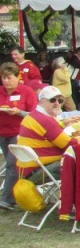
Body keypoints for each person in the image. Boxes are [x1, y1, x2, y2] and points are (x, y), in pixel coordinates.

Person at [16, 85, 74, 183]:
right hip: (39, 171)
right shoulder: (45, 120)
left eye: (60, 101)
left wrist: (62, 124)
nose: (57, 103)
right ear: (41, 101)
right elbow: (69, 144)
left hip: (26, 170)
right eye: (52, 100)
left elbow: (49, 134)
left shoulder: (32, 115)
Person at [0, 64, 37, 210]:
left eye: (9, 78)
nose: (6, 81)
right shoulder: (1, 91)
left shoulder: (26, 91)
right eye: (3, 78)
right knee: (12, 165)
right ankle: (16, 194)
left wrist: (19, 112)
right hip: (3, 132)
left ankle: (7, 199)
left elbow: (34, 113)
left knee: (11, 163)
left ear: (17, 77)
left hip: (19, 132)